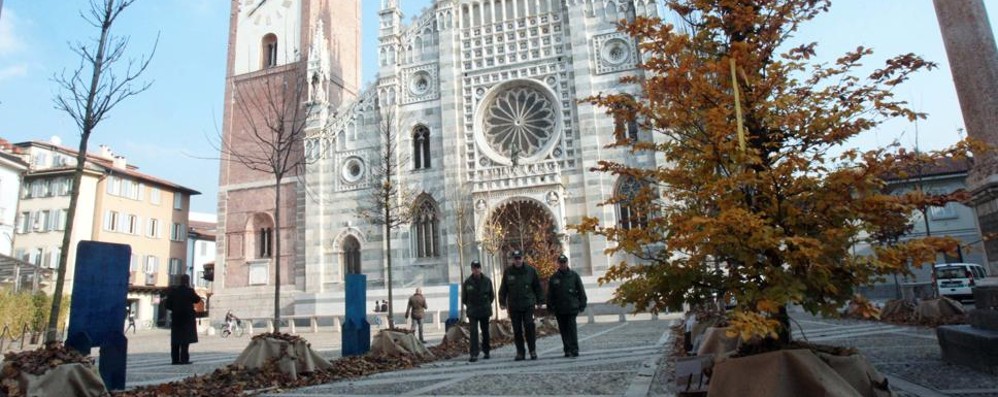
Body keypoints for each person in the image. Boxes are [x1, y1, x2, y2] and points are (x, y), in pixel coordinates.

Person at [498, 249, 544, 361]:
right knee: (517, 330)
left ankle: (532, 350)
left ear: (523, 258)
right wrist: (502, 302)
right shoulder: (508, 272)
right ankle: (520, 352)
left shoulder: (530, 271)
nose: (517, 261)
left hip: (528, 304)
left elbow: (537, 287)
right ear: (513, 260)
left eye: (519, 258)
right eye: (515, 259)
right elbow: (503, 289)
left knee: (529, 327)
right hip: (514, 305)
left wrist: (540, 301)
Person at [547, 254, 588, 358]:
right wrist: (550, 307)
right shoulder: (554, 277)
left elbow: (581, 291)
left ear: (567, 263)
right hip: (559, 309)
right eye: (560, 262)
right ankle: (567, 349)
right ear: (558, 264)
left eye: (564, 262)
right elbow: (550, 294)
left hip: (571, 307)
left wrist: (582, 304)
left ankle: (574, 349)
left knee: (572, 329)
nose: (562, 264)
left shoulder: (574, 276)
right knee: (564, 330)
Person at [462, 259, 495, 362]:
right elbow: (464, 298)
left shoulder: (487, 281)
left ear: (480, 269)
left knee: (485, 331)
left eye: (478, 268)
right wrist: (470, 305)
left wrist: (486, 304)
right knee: (473, 332)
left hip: (484, 309)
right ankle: (474, 353)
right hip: (473, 310)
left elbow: (491, 296)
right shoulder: (467, 282)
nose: (476, 270)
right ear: (472, 269)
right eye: (474, 268)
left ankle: (486, 351)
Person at [165, 274, 202, 365]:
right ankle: (184, 359)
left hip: (176, 319)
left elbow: (167, 305)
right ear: (187, 281)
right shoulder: (189, 291)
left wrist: (175, 309)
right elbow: (197, 300)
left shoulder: (174, 291)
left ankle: (175, 360)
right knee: (185, 341)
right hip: (187, 319)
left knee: (175, 341)